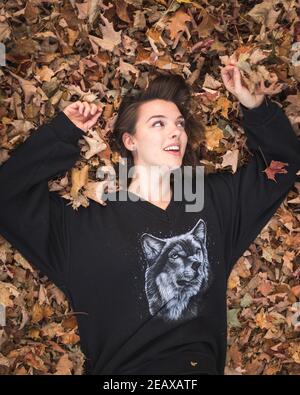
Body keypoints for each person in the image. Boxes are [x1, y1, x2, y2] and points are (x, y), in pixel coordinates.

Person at [0, 66, 299, 375]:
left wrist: (254, 105)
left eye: (180, 124)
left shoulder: (214, 203)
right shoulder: (82, 227)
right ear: (130, 141)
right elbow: (7, 198)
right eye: (159, 124)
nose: (176, 133)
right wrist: (63, 133)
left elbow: (281, 166)